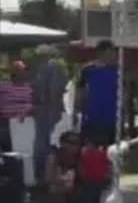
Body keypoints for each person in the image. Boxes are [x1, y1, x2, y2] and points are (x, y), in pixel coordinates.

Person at [31, 44, 68, 182]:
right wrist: (56, 109)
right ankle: (45, 173)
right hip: (49, 108)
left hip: (42, 109)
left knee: (42, 142)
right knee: (47, 142)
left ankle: (41, 173)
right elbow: (56, 90)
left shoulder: (39, 71)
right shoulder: (52, 69)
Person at [76, 40, 119, 148]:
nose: (114, 55)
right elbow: (80, 92)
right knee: (96, 152)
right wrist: (77, 112)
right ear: (101, 53)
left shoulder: (119, 69)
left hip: (114, 119)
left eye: (114, 52)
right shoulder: (88, 70)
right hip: (94, 119)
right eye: (111, 52)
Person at [77, 132, 112, 203]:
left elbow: (81, 169)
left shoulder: (84, 155)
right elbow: (109, 168)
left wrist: (82, 177)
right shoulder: (104, 154)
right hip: (100, 181)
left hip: (89, 181)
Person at [0, 61, 33, 153]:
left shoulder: (31, 88)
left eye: (23, 70)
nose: (21, 73)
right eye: (18, 70)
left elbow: (36, 103)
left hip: (25, 123)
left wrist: (27, 109)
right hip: (5, 123)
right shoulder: (3, 87)